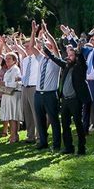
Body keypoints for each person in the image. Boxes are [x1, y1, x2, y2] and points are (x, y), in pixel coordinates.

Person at [43, 42, 90, 155]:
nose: (68, 57)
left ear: (77, 57)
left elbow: (82, 60)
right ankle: (69, 147)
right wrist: (46, 50)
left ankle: (81, 148)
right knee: (65, 124)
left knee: (78, 124)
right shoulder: (66, 66)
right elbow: (56, 59)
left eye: (71, 56)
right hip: (65, 100)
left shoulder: (80, 67)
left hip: (75, 100)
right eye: (68, 56)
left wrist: (78, 51)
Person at [32, 21, 63, 151]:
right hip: (38, 93)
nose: (47, 46)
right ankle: (43, 142)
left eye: (49, 45)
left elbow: (55, 46)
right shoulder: (41, 59)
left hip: (50, 94)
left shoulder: (56, 59)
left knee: (54, 120)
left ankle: (56, 144)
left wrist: (46, 31)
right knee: (40, 120)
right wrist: (34, 32)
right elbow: (32, 47)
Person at [0, 51, 22, 143]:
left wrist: (3, 84)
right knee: (11, 116)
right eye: (6, 58)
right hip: (8, 94)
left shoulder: (15, 69)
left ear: (14, 60)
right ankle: (14, 135)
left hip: (13, 94)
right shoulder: (9, 70)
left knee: (13, 117)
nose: (7, 60)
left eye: (9, 59)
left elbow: (15, 84)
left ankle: (13, 136)